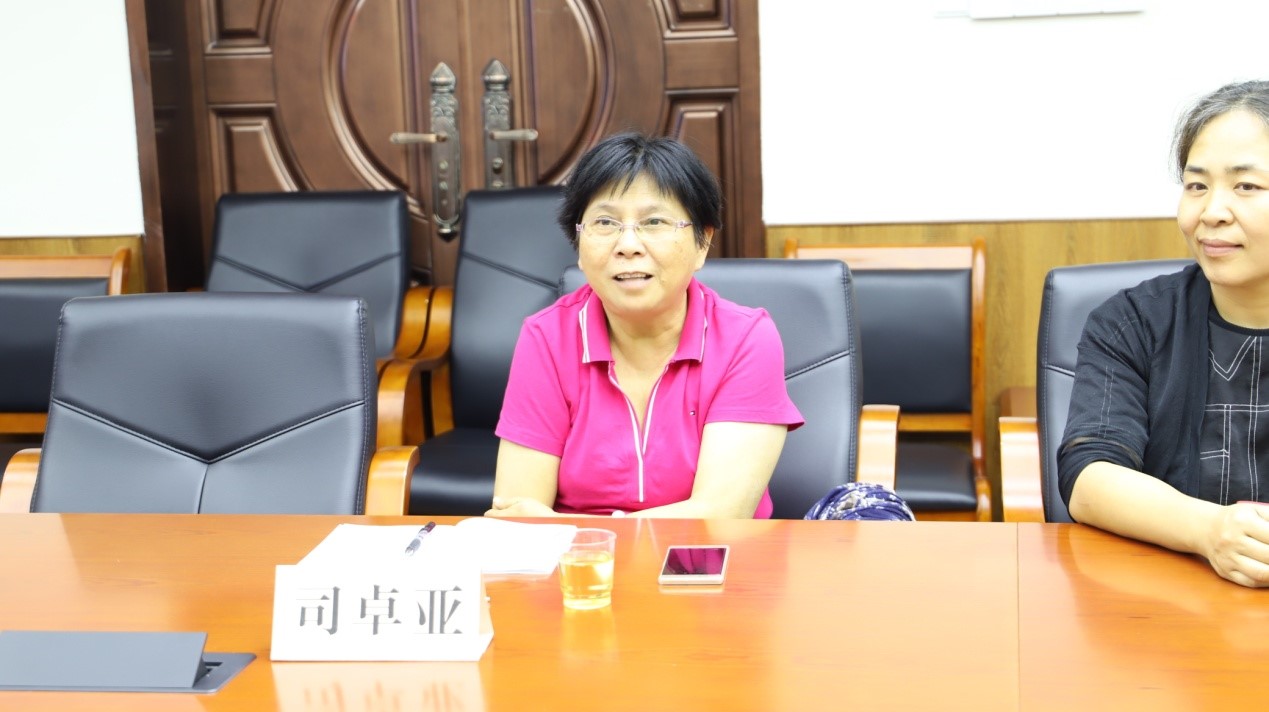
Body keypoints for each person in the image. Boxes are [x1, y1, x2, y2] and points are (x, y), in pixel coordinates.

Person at [486, 132, 803, 519]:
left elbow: (721, 517)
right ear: (578, 245)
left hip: (705, 556)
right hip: (576, 559)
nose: (628, 245)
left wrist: (561, 526)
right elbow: (517, 516)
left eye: (654, 222)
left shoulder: (745, 339)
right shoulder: (547, 338)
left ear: (702, 243)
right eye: (605, 222)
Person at [1061, 80, 1269, 587]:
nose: (1211, 212)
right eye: (1197, 186)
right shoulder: (1133, 321)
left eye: (1246, 186)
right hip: (1172, 598)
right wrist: (1210, 531)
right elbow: (1089, 476)